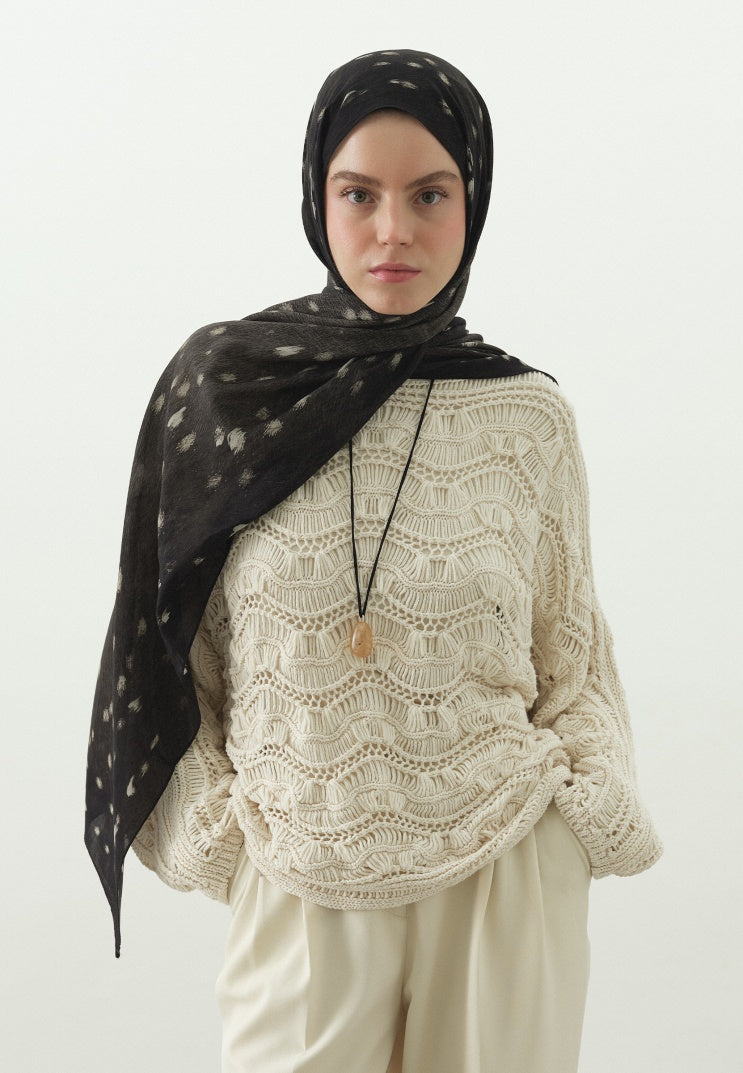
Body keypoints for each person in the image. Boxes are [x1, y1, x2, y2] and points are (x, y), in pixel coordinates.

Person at [85, 48, 662, 1073]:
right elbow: (171, 650)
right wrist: (228, 843)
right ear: (319, 200)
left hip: (503, 874)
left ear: (471, 203)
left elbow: (571, 662)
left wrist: (574, 817)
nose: (393, 230)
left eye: (428, 195)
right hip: (300, 882)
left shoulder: (525, 416)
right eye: (359, 194)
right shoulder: (228, 396)